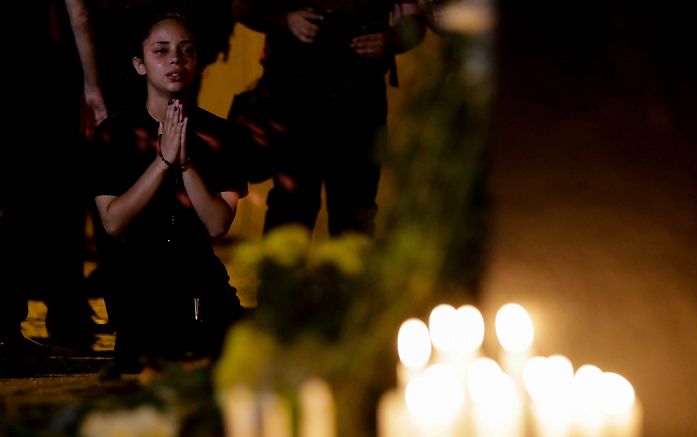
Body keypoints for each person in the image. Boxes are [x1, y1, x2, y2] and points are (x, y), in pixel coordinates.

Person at [90, 6, 246, 370]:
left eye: (186, 50)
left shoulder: (220, 135)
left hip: (202, 290)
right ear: (139, 64)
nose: (175, 59)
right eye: (160, 51)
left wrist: (185, 162)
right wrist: (161, 162)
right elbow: (113, 222)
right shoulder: (113, 135)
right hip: (139, 293)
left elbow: (217, 223)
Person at [231, 0, 426, 237]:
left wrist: (392, 39)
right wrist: (286, 20)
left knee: (354, 211)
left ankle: (345, 273)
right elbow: (242, 7)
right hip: (295, 98)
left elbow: (414, 19)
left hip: (359, 101)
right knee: (291, 207)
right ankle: (281, 273)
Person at [0, 0, 107, 357]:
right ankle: (15, 325)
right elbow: (79, 12)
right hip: (34, 69)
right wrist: (92, 85)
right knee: (33, 203)